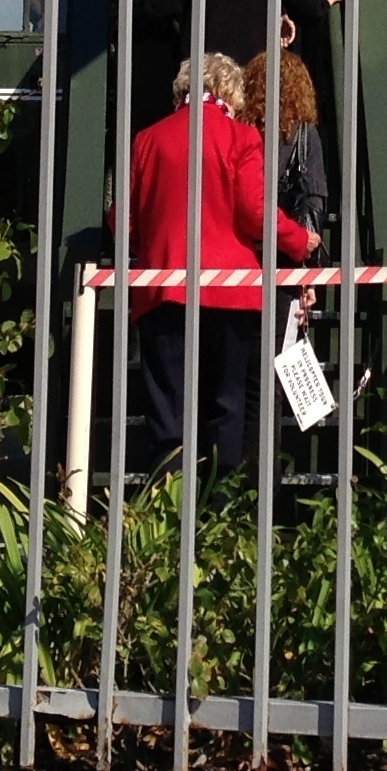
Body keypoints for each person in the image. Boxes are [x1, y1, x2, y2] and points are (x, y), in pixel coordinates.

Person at [121, 51, 317, 470]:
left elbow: (124, 221)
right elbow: (254, 211)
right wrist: (300, 241)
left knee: (168, 408)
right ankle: (221, 496)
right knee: (226, 402)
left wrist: (152, 241)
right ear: (229, 91)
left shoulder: (147, 139)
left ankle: (169, 494)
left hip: (163, 287)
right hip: (231, 291)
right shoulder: (242, 139)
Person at [243, 49, 330, 253]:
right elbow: (313, 197)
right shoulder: (304, 133)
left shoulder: (239, 130)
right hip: (287, 248)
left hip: (244, 246)